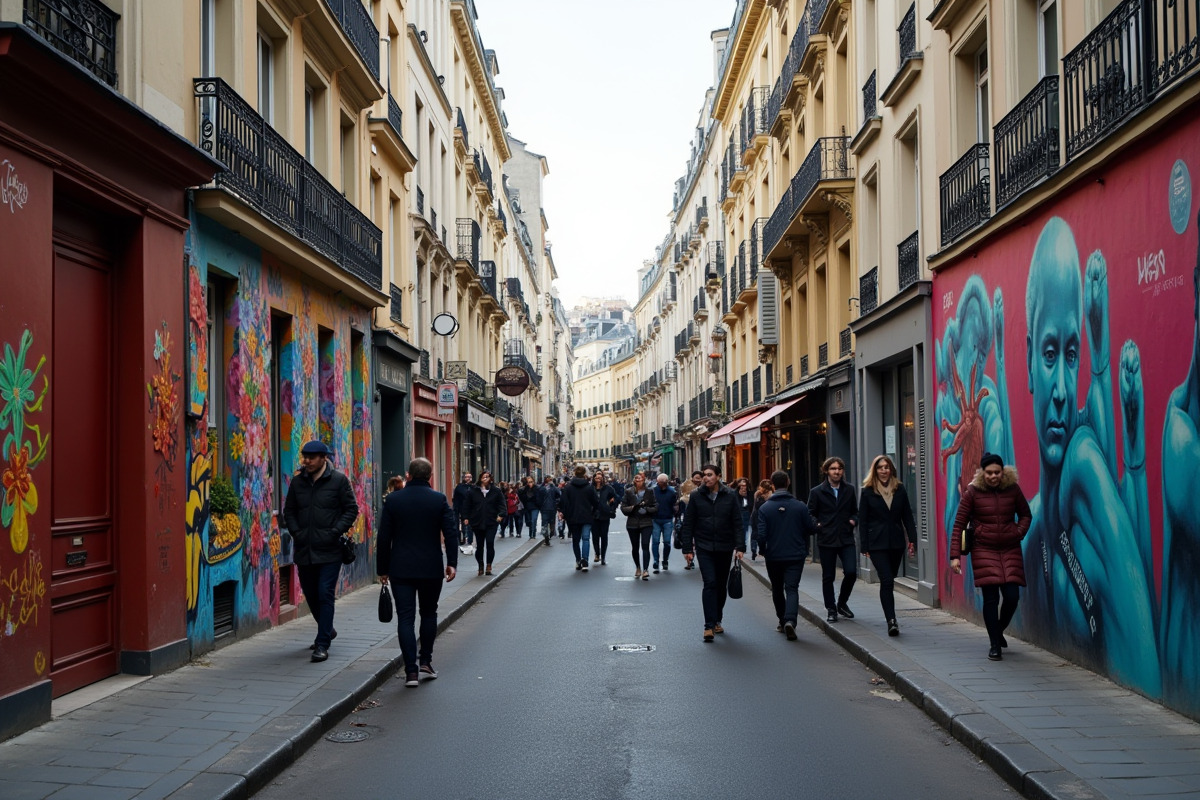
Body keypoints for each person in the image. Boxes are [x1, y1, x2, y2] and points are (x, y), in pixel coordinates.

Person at [376, 458, 457, 687]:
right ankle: (426, 662)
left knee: (405, 617)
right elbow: (450, 533)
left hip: (400, 568)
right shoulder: (439, 499)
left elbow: (384, 538)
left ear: (408, 475)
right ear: (430, 476)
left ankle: (410, 672)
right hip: (431, 567)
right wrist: (452, 562)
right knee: (429, 613)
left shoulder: (393, 500)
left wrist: (382, 569)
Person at [950, 452, 1032, 661]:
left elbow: (1025, 515)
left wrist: (1017, 532)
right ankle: (995, 644)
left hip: (1010, 547)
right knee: (991, 598)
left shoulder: (1012, 489)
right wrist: (955, 556)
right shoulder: (972, 492)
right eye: (989, 473)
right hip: (983, 549)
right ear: (982, 473)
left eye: (997, 472)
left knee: (1012, 596)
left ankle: (998, 630)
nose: (993, 476)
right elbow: (959, 524)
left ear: (1002, 472)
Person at [282, 440, 359, 663]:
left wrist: (334, 531)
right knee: (312, 594)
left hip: (330, 549)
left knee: (325, 593)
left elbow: (351, 509)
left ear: (323, 458)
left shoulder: (338, 480)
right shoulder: (298, 482)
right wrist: (296, 532)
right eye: (304, 456)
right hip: (304, 548)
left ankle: (322, 643)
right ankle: (328, 628)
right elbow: (289, 511)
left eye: (311, 457)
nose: (306, 461)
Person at [678, 463, 745, 642]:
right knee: (710, 583)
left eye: (709, 475)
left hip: (724, 546)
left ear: (718, 476)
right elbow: (688, 524)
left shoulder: (730, 495)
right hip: (704, 546)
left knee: (721, 585)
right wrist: (687, 549)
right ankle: (708, 625)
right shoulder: (696, 496)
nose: (706, 478)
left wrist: (740, 547)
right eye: (704, 475)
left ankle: (717, 619)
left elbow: (738, 523)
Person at [857, 455, 918, 637]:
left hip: (896, 542)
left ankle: (890, 614)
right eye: (880, 467)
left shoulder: (900, 489)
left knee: (890, 578)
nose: (883, 470)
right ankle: (891, 620)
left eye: (886, 467)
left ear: (891, 470)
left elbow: (907, 515)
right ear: (875, 470)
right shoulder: (867, 491)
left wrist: (912, 539)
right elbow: (863, 520)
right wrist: (864, 546)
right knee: (887, 580)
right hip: (876, 543)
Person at [754, 470, 817, 640]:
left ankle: (782, 620)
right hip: (795, 554)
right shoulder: (800, 506)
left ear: (773, 485)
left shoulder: (765, 508)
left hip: (774, 555)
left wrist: (763, 549)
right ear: (788, 483)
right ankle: (791, 620)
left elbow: (761, 534)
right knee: (792, 588)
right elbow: (811, 528)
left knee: (777, 588)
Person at [808, 457, 859, 624]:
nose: (836, 472)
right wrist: (818, 525)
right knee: (828, 576)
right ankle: (831, 608)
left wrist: (854, 520)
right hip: (827, 538)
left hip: (845, 537)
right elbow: (810, 513)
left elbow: (855, 511)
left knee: (851, 572)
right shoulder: (817, 491)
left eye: (839, 469)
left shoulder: (849, 490)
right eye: (833, 469)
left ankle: (842, 603)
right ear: (826, 471)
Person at [559, 465, 600, 571]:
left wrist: (564, 513)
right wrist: (593, 512)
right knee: (586, 538)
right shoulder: (589, 487)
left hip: (572, 517)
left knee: (576, 540)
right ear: (584, 474)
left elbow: (563, 502)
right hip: (587, 516)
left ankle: (578, 560)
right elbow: (596, 502)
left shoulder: (568, 487)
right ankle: (585, 560)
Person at [465, 470, 505, 576]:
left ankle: (489, 565)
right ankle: (480, 565)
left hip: (491, 521)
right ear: (480, 478)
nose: (485, 478)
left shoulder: (496, 491)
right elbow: (467, 505)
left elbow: (502, 504)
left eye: (487, 477)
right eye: (483, 477)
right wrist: (466, 517)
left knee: (490, 543)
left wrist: (500, 515)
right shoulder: (473, 490)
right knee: (480, 545)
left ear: (491, 479)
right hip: (477, 522)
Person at [621, 473, 656, 579]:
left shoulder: (649, 491)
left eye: (640, 479)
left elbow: (655, 506)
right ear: (634, 480)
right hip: (632, 523)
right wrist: (632, 508)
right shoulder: (629, 491)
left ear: (644, 480)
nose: (638, 480)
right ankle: (638, 567)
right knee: (635, 547)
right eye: (636, 479)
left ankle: (645, 569)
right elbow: (623, 507)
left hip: (646, 522)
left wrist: (647, 510)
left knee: (645, 545)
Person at [650, 473, 677, 573]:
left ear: (667, 482)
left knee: (667, 542)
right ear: (657, 482)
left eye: (664, 482)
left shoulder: (672, 491)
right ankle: (656, 561)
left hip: (667, 519)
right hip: (655, 519)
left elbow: (675, 504)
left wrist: (675, 513)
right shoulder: (653, 491)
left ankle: (665, 560)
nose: (662, 484)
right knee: (655, 542)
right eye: (660, 482)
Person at [591, 471, 618, 565]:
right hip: (593, 515)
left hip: (604, 515)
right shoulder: (591, 488)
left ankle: (603, 556)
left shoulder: (608, 488)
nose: (598, 480)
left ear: (603, 478)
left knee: (604, 536)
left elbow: (615, 498)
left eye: (600, 478)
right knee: (595, 536)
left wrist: (611, 507)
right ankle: (597, 554)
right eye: (596, 478)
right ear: (593, 479)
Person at [677, 474, 699, 569]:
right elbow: (680, 512)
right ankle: (690, 560)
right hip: (689, 522)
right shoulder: (684, 500)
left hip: (697, 522)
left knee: (694, 542)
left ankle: (691, 560)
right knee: (690, 542)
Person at [749, 479, 773, 561]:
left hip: (756, 516)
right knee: (764, 533)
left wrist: (752, 515)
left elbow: (754, 507)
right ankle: (764, 549)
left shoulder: (757, 494)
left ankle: (753, 548)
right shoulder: (771, 496)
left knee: (755, 533)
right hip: (765, 517)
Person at [452, 472, 474, 546]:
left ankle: (469, 541)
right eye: (467, 477)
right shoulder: (460, 487)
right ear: (464, 478)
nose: (468, 478)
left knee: (469, 526)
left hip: (470, 510)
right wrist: (455, 509)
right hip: (459, 508)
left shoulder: (473, 487)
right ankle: (459, 540)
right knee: (458, 525)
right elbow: (456, 498)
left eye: (470, 477)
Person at [734, 478, 753, 559]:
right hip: (738, 513)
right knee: (741, 529)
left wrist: (745, 497)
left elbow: (751, 504)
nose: (743, 487)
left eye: (744, 485)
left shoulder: (750, 493)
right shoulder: (735, 493)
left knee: (745, 529)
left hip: (747, 513)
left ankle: (742, 546)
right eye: (741, 485)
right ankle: (741, 546)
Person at [538, 475, 560, 545]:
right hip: (544, 508)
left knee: (552, 523)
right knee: (544, 524)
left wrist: (556, 503)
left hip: (552, 508)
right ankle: (546, 538)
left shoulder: (553, 488)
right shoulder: (542, 488)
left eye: (550, 479)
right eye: (548, 479)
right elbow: (538, 496)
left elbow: (558, 495)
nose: (549, 480)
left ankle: (551, 534)